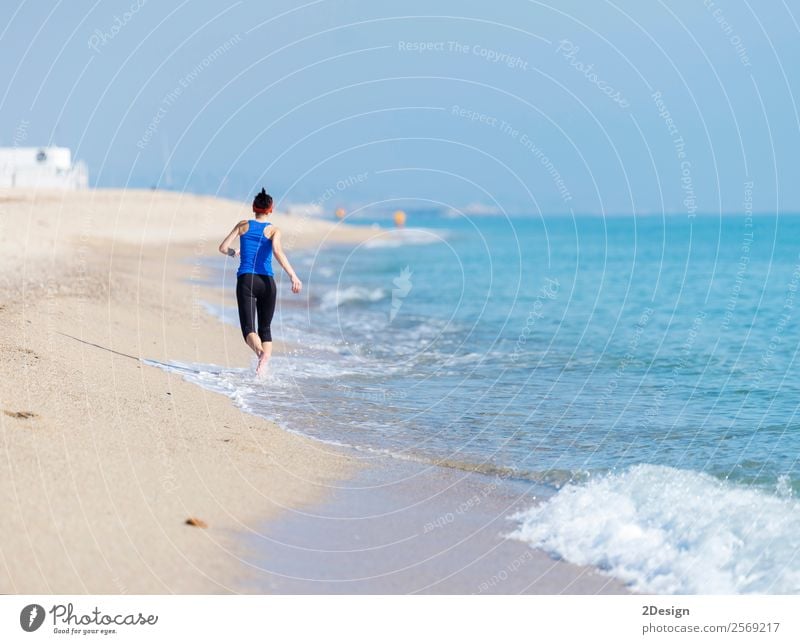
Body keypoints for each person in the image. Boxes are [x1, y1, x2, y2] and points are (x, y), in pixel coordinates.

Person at [218, 188, 302, 375]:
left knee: (249, 328)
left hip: (247, 280)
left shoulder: (242, 225)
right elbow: (278, 252)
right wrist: (293, 276)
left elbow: (223, 247)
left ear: (253, 208)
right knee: (265, 328)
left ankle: (261, 355)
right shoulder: (273, 230)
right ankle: (263, 368)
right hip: (268, 283)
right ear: (271, 210)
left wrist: (234, 252)